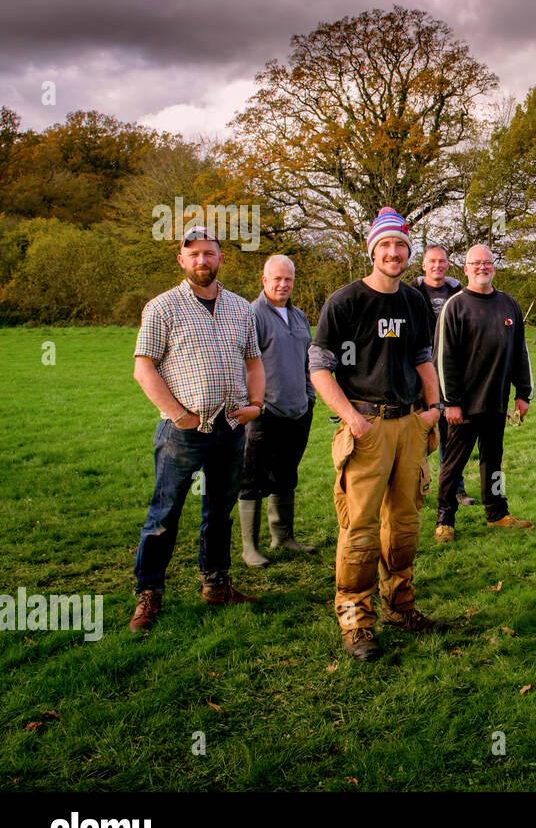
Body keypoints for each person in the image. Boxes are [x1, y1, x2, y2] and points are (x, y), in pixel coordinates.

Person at [308, 207, 444, 662]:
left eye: (401, 246)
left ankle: (400, 606)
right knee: (360, 530)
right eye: (385, 245)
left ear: (409, 252)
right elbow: (319, 366)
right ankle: (356, 621)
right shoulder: (344, 301)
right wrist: (352, 417)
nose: (393, 252)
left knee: (404, 524)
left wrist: (434, 409)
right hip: (366, 428)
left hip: (409, 425)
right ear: (372, 250)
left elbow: (424, 356)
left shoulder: (414, 301)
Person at [129, 225, 265, 632]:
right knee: (164, 514)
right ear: (182, 261)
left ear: (221, 258)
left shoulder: (241, 308)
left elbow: (254, 362)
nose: (202, 260)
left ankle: (216, 583)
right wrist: (178, 414)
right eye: (194, 254)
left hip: (230, 427)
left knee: (219, 512)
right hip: (184, 433)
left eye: (210, 253)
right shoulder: (162, 307)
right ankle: (149, 594)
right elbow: (143, 367)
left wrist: (255, 405)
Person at [434, 244, 533, 543]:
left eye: (487, 262)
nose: (482, 267)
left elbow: (520, 353)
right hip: (462, 407)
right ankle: (445, 519)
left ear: (494, 267)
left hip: (496, 402)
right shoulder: (455, 306)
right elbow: (443, 358)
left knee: (494, 461)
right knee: (453, 464)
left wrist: (523, 394)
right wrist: (450, 402)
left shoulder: (509, 305)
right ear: (465, 269)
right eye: (475, 263)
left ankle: (497, 513)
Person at [239, 254, 317, 567]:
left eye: (289, 280)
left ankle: (283, 536)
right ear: (264, 280)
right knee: (253, 478)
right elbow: (243, 363)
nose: (283, 285)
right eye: (277, 279)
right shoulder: (252, 314)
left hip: (298, 411)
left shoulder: (298, 316)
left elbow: (308, 362)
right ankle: (250, 547)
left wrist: (309, 397)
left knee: (286, 475)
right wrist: (253, 405)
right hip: (264, 412)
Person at [413, 244, 474, 508]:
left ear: (447, 264)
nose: (437, 266)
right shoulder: (410, 293)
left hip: (450, 371)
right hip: (418, 371)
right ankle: (414, 486)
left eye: (442, 261)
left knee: (451, 433)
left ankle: (455, 489)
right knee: (415, 434)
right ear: (424, 265)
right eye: (432, 261)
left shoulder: (458, 293)